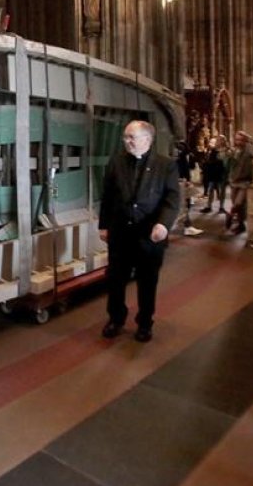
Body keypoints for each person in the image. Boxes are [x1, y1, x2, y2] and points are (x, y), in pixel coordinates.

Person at [98, 120, 180, 342]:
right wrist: (103, 225)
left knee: (147, 281)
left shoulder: (166, 165)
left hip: (149, 235)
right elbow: (107, 196)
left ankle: (145, 322)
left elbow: (172, 199)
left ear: (147, 139)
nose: (126, 142)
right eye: (125, 137)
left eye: (131, 137)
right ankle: (115, 318)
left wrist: (163, 224)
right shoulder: (116, 161)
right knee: (115, 279)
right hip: (120, 233)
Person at [226, 131, 253, 234]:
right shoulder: (234, 149)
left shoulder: (249, 148)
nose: (238, 141)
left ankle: (230, 215)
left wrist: (252, 142)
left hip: (245, 180)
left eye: (240, 139)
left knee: (238, 203)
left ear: (245, 140)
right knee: (238, 205)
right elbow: (230, 165)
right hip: (234, 180)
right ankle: (241, 225)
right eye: (236, 139)